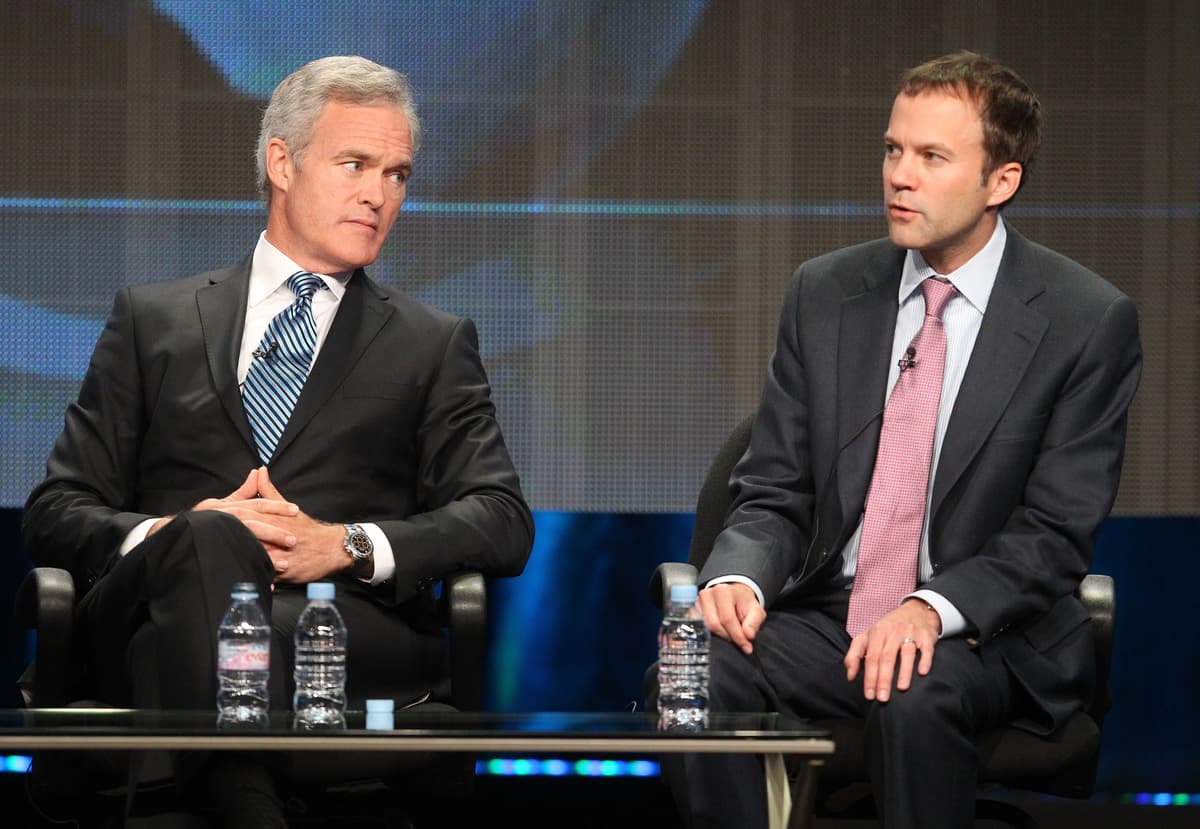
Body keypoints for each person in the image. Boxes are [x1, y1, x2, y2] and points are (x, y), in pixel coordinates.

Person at [23, 55, 534, 826]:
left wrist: (346, 543)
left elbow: (501, 518)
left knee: (177, 652)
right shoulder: (152, 321)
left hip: (332, 625)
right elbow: (56, 508)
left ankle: (230, 799)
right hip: (147, 605)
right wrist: (178, 537)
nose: (378, 194)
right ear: (282, 163)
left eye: (397, 174)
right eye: (355, 164)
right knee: (206, 543)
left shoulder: (432, 344)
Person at [648, 51, 1142, 829]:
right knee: (693, 672)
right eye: (892, 149)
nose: (898, 176)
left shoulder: (1085, 321)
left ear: (1000, 181)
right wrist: (737, 577)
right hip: (831, 617)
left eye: (931, 157)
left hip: (981, 633)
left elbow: (1052, 535)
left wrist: (931, 605)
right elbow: (774, 488)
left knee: (912, 685)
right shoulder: (826, 292)